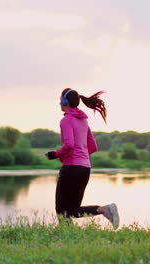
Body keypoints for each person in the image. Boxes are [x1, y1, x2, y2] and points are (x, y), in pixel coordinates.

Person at [45, 88, 119, 229]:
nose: (59, 102)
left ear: (64, 101)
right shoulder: (83, 120)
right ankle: (104, 210)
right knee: (72, 210)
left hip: (71, 169)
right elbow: (93, 146)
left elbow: (69, 145)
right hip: (84, 169)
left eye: (60, 99)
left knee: (61, 210)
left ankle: (103, 210)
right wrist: (81, 158)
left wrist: (54, 155)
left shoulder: (66, 120)